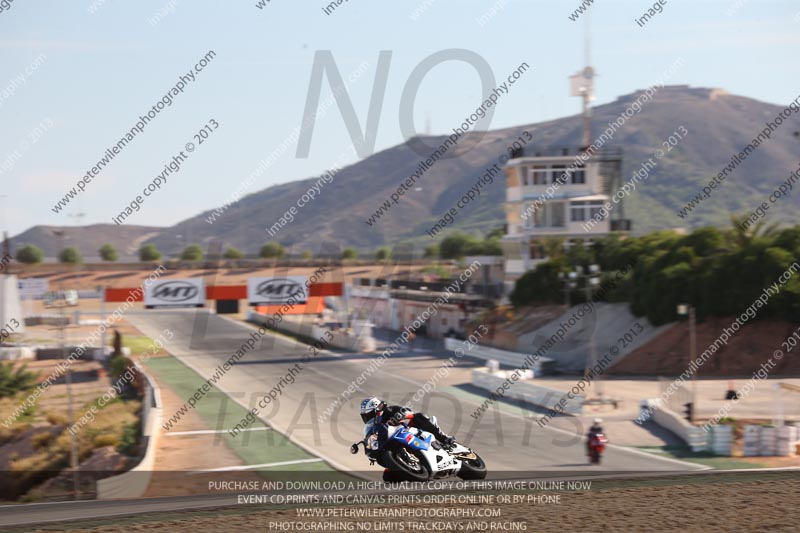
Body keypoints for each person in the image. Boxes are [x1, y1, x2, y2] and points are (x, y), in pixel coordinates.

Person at [359, 397, 455, 451]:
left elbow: (408, 411)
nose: (368, 418)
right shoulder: (375, 426)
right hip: (394, 442)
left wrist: (401, 415)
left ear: (377, 410)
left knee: (419, 416)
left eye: (370, 414)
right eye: (366, 416)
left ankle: (444, 438)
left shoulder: (389, 410)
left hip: (408, 431)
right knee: (387, 477)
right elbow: (372, 439)